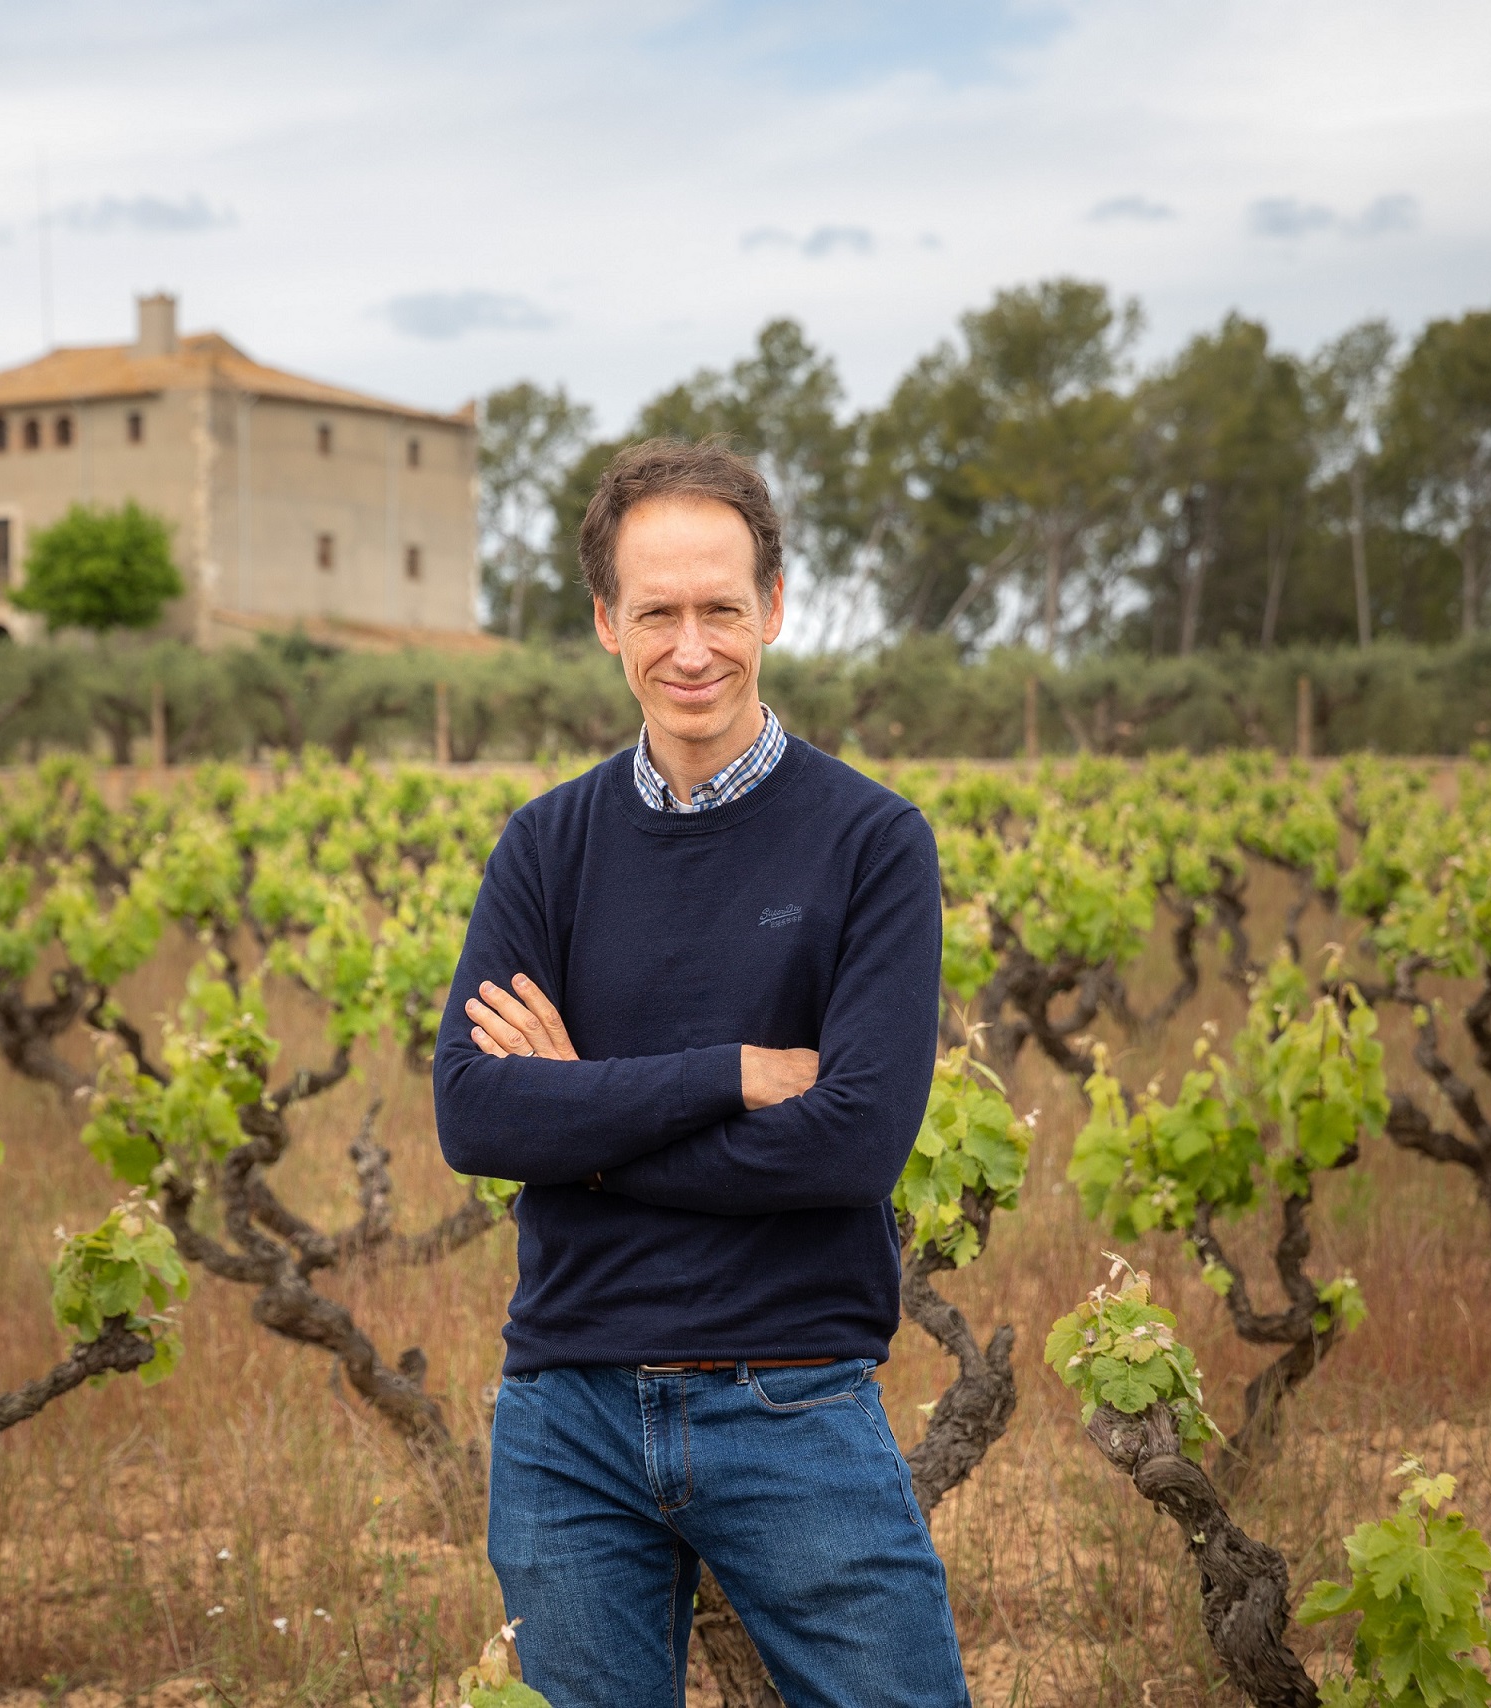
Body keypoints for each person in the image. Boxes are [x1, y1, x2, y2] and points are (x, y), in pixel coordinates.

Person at [432, 438, 969, 1707]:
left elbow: (851, 1145)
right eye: (657, 611)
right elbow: (474, 1113)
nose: (693, 647)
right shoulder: (546, 845)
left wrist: (582, 1115)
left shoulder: (873, 843)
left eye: (721, 609)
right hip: (565, 1414)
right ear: (607, 621)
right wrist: (727, 1071)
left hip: (788, 1400)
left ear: (772, 609)